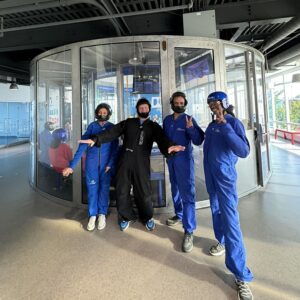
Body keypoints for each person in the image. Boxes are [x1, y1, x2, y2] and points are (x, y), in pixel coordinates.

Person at [79, 98, 185, 231]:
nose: (143, 110)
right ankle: (125, 217)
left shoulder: (153, 126)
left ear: (149, 110)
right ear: (137, 110)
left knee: (144, 192)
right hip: (125, 162)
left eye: (146, 108)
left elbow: (163, 140)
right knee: (122, 191)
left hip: (142, 163)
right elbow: (112, 132)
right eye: (141, 108)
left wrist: (170, 147)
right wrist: (96, 139)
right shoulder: (129, 123)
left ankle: (147, 217)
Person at [204, 91, 253, 300]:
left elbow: (243, 151)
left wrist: (225, 125)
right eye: (210, 104)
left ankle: (241, 274)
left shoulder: (232, 123)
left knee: (231, 221)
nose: (213, 107)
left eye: (216, 103)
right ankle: (221, 241)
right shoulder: (212, 124)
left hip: (225, 178)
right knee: (216, 212)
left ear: (224, 103)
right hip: (211, 177)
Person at [63, 104, 119, 231]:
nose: (102, 114)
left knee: (104, 190)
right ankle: (92, 215)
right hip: (91, 166)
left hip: (106, 167)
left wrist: (110, 164)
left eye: (105, 112)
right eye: (100, 112)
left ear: (109, 113)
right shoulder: (92, 127)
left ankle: (102, 214)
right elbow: (82, 147)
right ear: (96, 113)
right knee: (92, 191)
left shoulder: (112, 128)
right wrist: (71, 166)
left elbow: (115, 149)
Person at [163, 91, 204, 253]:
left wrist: (191, 129)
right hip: (171, 160)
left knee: (188, 194)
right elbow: (163, 139)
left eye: (181, 103)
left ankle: (189, 229)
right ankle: (178, 214)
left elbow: (198, 140)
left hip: (184, 162)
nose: (179, 105)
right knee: (175, 189)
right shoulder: (166, 120)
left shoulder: (189, 119)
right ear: (172, 103)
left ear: (185, 104)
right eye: (176, 102)